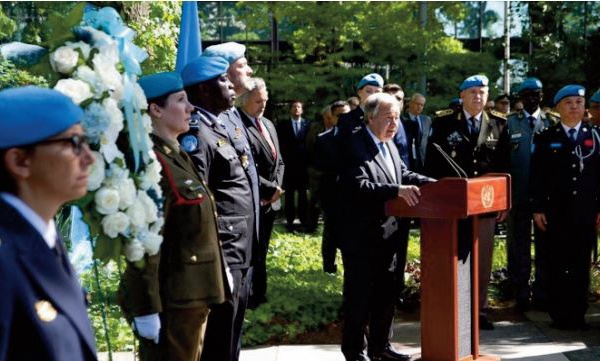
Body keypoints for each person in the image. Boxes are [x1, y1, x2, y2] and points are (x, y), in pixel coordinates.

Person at [119, 72, 226, 361]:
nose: (191, 108)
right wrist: (145, 308)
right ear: (155, 110)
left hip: (191, 295)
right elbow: (143, 243)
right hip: (173, 299)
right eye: (181, 101)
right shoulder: (150, 162)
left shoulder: (176, 155)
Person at [0, 86, 97, 360]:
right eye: (73, 144)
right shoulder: (6, 257)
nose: (89, 158)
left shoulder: (43, 237)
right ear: (20, 161)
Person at [339, 93, 433, 361]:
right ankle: (355, 351)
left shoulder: (388, 144)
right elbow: (359, 186)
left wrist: (436, 184)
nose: (394, 124)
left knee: (386, 295)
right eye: (388, 118)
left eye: (397, 118)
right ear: (370, 117)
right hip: (362, 237)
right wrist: (397, 191)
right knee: (360, 297)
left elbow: (403, 173)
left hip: (392, 235)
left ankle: (381, 347)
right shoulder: (354, 145)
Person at [179, 56, 255, 361]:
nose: (231, 85)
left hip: (240, 247)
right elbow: (200, 197)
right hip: (224, 249)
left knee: (232, 336)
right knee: (219, 339)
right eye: (223, 80)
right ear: (205, 90)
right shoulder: (196, 134)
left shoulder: (218, 126)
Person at [424, 75, 506, 330]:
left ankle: (478, 310)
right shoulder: (444, 122)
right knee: (455, 256)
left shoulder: (498, 124)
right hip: (453, 205)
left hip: (486, 203)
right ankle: (456, 308)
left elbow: (504, 166)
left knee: (482, 259)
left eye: (482, 92)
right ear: (461, 96)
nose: (478, 97)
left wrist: (503, 202)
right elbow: (432, 164)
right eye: (472, 92)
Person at [531, 85, 600, 330]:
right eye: (568, 102)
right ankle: (559, 314)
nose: (574, 107)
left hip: (585, 212)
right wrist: (537, 208)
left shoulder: (595, 136)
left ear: (584, 107)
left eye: (578, 102)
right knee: (557, 263)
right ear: (558, 108)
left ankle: (578, 313)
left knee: (581, 264)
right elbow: (537, 176)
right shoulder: (546, 137)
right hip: (555, 213)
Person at [497, 77, 555, 312]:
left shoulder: (552, 122)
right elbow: (502, 163)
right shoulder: (509, 124)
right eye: (527, 95)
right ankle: (520, 293)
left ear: (542, 96)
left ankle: (542, 293)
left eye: (536, 94)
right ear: (520, 98)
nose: (532, 98)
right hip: (517, 197)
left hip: (545, 199)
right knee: (517, 246)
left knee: (545, 247)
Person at [237, 78, 285, 310]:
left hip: (270, 200)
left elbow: (280, 161)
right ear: (244, 100)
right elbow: (245, 165)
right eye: (258, 101)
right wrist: (268, 188)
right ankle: (250, 296)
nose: (263, 105)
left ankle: (260, 293)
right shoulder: (238, 126)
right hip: (253, 200)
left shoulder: (268, 124)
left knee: (263, 249)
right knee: (252, 250)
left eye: (265, 100)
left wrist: (277, 188)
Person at [315, 100, 350, 273]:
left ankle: (349, 265)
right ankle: (329, 266)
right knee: (330, 232)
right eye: (339, 115)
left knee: (349, 233)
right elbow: (318, 167)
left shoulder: (359, 138)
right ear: (332, 117)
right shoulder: (323, 140)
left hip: (353, 193)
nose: (344, 119)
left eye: (347, 114)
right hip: (331, 193)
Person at [277, 100, 310, 231]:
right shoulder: (283, 125)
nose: (296, 109)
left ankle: (302, 221)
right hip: (289, 166)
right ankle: (289, 222)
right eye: (294, 107)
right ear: (290, 110)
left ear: (302, 110)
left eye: (299, 107)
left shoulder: (308, 124)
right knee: (289, 195)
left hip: (303, 166)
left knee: (303, 195)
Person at [403, 93, 431, 172]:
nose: (419, 107)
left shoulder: (427, 120)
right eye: (417, 104)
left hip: (423, 160)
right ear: (411, 104)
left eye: (422, 105)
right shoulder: (403, 120)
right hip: (408, 160)